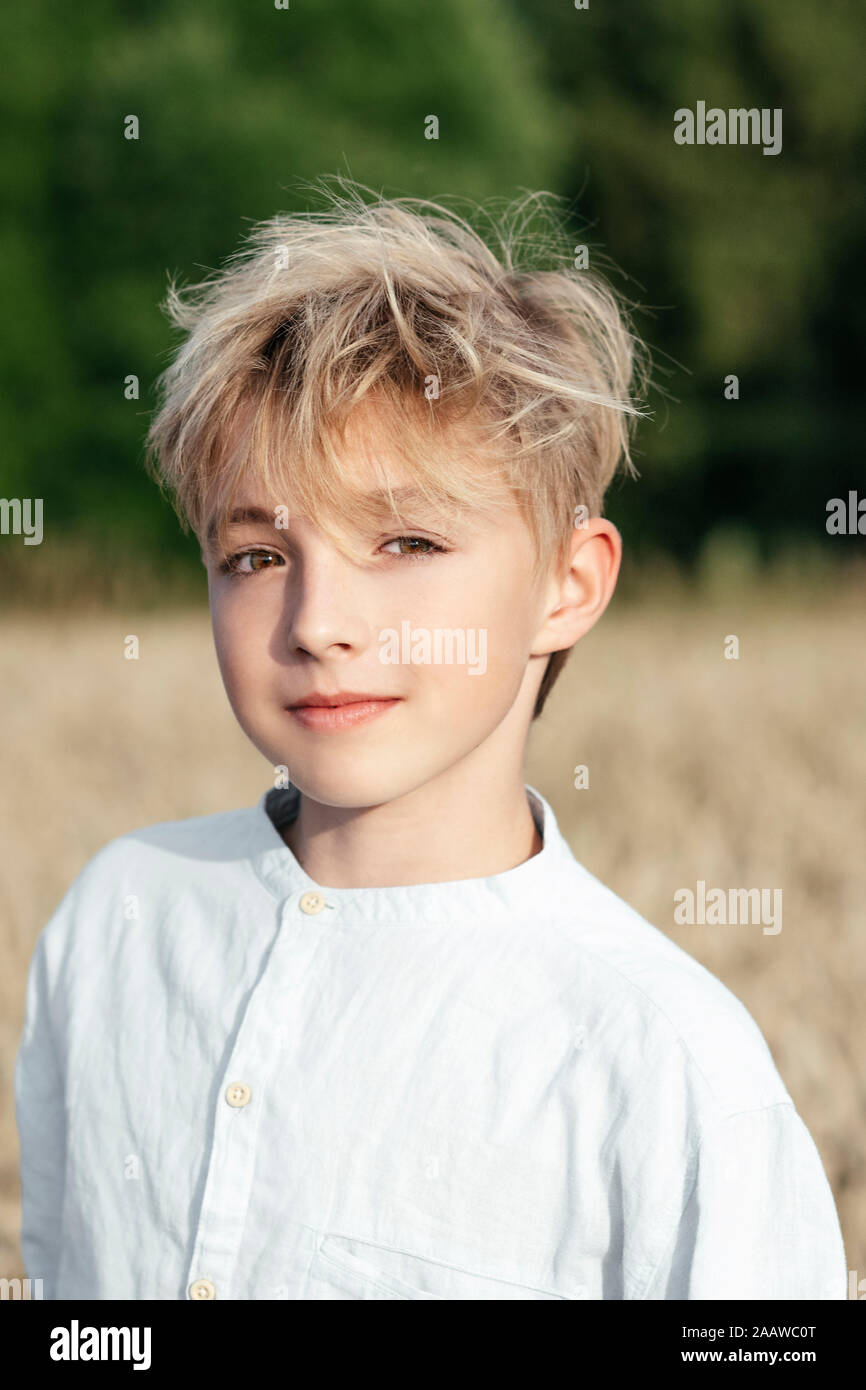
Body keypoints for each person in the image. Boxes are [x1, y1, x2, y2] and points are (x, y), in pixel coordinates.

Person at [15, 177, 847, 1300]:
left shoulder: (668, 1070)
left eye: (404, 541)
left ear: (566, 581)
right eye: (257, 555)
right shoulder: (117, 919)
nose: (317, 625)